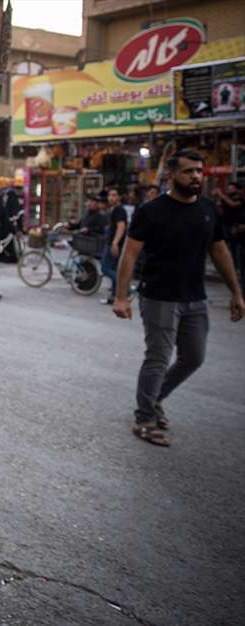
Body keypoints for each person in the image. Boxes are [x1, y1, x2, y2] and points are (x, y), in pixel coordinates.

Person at [112, 149, 244, 447]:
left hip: (195, 297)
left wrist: (237, 293)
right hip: (159, 295)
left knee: (194, 357)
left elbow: (220, 251)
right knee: (158, 358)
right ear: (172, 175)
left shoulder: (208, 209)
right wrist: (121, 297)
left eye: (199, 171)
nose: (196, 176)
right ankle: (144, 418)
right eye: (189, 171)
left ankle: (156, 397)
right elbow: (130, 254)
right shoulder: (152, 211)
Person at [99, 186, 128, 305]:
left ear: (119, 197)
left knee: (105, 268)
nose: (111, 198)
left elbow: (121, 227)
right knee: (114, 268)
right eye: (110, 195)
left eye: (114, 195)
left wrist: (115, 243)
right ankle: (114, 297)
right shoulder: (115, 209)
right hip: (114, 243)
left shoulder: (119, 210)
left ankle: (124, 287)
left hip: (114, 244)